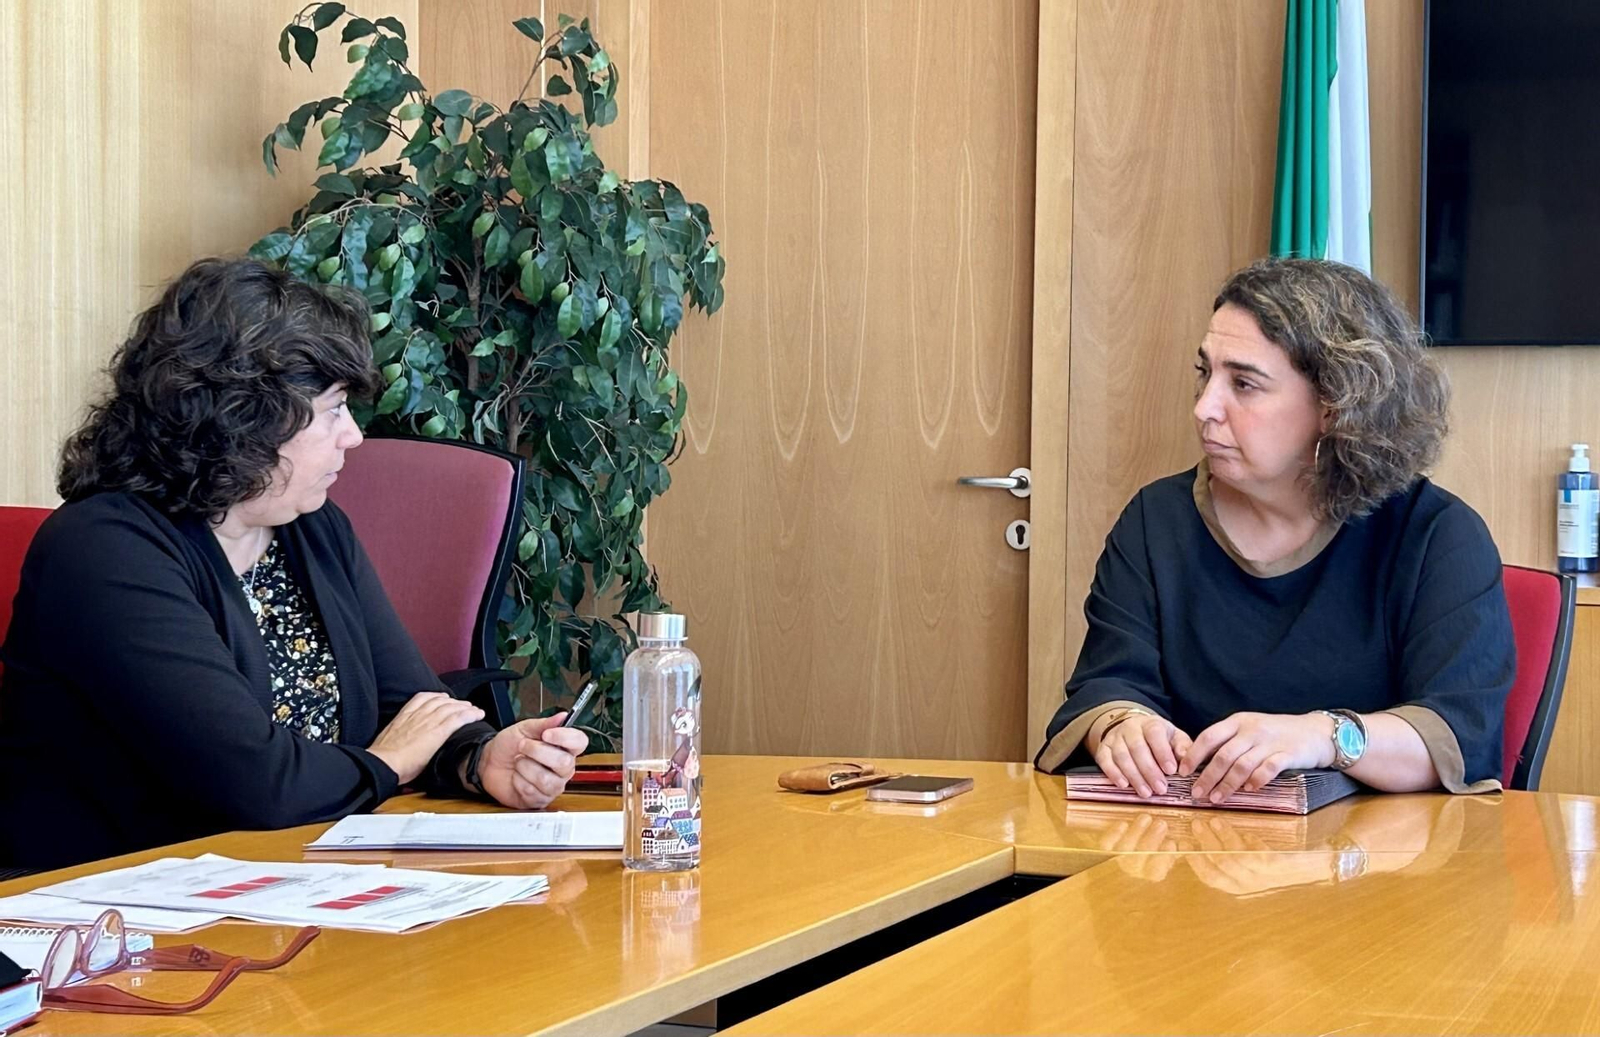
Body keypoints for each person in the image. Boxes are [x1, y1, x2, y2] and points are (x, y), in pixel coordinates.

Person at [0, 258, 587, 871]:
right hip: (111, 919)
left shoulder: (310, 526)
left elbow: (410, 705)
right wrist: (390, 763)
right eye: (333, 409)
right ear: (243, 418)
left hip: (288, 883)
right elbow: (257, 784)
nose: (354, 436)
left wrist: (481, 759)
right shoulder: (105, 550)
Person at [1035, 257, 1515, 802]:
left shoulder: (1437, 537)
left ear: (1336, 407)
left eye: (1243, 383)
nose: (1205, 408)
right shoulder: (1156, 520)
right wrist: (1120, 727)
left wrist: (1322, 735)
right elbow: (1109, 682)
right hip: (1186, 853)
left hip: (1376, 865)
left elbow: (1456, 735)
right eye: (1205, 373)